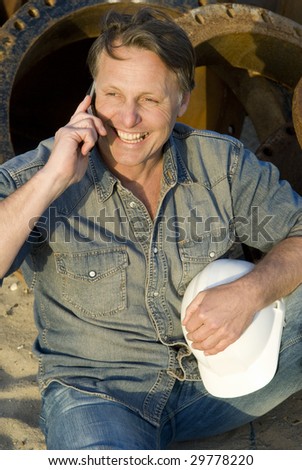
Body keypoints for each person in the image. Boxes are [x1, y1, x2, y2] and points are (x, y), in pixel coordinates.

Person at [0, 7, 301, 450]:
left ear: (181, 101)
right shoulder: (46, 172)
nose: (127, 119)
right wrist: (51, 181)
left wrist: (251, 291)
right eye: (113, 95)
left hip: (223, 383)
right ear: (91, 95)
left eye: (149, 100)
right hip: (98, 398)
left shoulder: (221, 164)